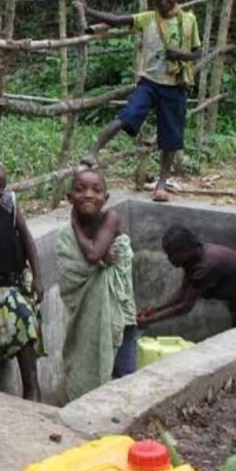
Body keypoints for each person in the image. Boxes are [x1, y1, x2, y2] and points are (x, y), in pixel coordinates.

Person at [75, 0, 201, 202]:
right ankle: (92, 152)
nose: (163, 3)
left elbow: (197, 53)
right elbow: (117, 20)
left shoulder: (189, 21)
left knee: (171, 136)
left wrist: (180, 55)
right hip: (150, 82)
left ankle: (161, 184)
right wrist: (89, 10)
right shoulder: (147, 19)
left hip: (175, 85)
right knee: (127, 115)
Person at [57, 169, 137, 401]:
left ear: (106, 197)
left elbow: (92, 255)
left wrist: (76, 226)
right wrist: (99, 254)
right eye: (80, 189)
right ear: (69, 197)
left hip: (117, 309)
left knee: (124, 370)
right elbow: (75, 269)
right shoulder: (65, 236)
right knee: (87, 359)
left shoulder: (111, 217)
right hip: (86, 313)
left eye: (96, 190)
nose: (88, 195)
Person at [0, 158, 45, 401]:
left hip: (18, 281)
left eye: (2, 187)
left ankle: (33, 387)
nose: (0, 192)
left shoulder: (8, 204)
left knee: (28, 319)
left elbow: (27, 239)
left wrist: (37, 276)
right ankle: (31, 388)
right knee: (20, 315)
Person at [137, 224, 236, 328]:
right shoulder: (195, 258)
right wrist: (154, 310)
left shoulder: (206, 266)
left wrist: (151, 320)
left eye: (172, 254)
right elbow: (182, 293)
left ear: (185, 250)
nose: (169, 259)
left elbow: (185, 306)